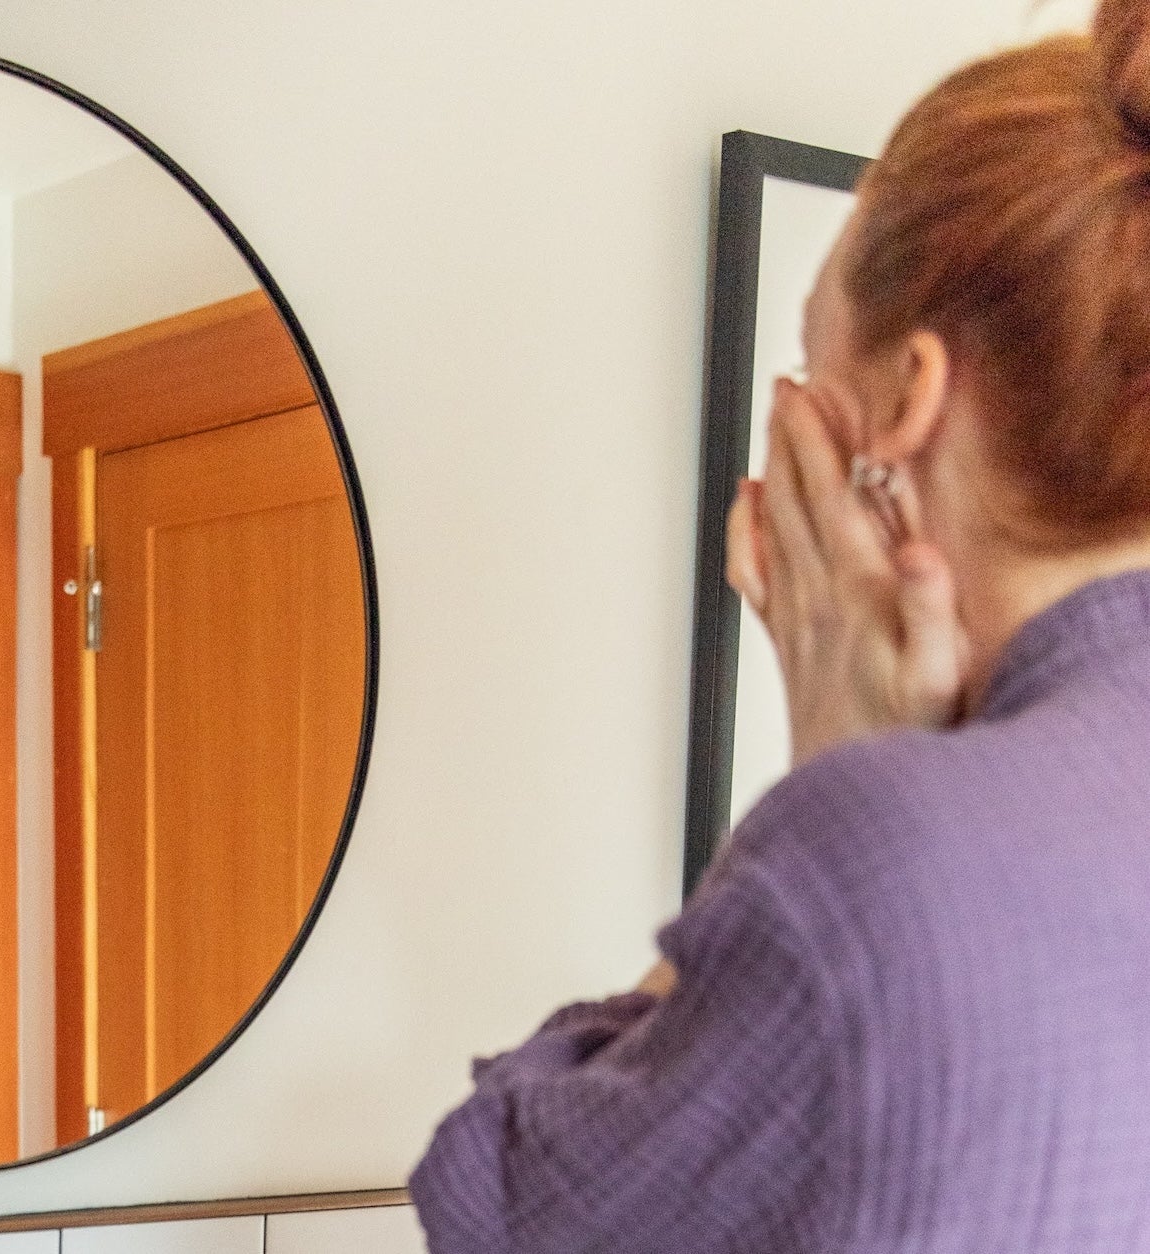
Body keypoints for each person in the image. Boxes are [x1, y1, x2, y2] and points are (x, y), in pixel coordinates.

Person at [411, 1, 1150, 1247]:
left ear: (906, 406)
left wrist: (841, 764)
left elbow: (502, 1205)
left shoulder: (882, 855)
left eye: (810, 366)